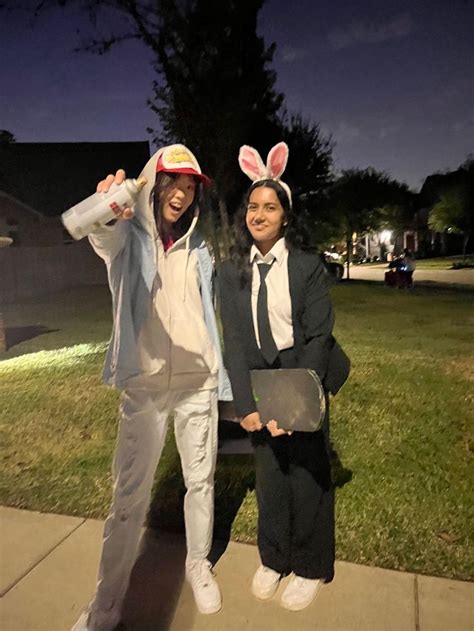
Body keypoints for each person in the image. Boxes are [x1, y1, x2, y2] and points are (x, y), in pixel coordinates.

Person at [73, 144, 232, 631]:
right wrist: (113, 199)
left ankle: (198, 564)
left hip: (196, 385)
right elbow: (83, 225)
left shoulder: (199, 248)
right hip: (143, 389)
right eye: (174, 183)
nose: (181, 195)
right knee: (128, 499)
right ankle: (106, 602)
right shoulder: (126, 239)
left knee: (200, 482)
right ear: (154, 184)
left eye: (190, 187)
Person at [218, 142, 349, 612]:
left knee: (308, 472)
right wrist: (246, 406)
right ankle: (274, 558)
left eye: (269, 207)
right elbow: (233, 341)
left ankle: (312, 565)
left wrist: (295, 402)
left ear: (286, 216)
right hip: (257, 377)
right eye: (252, 207)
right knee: (270, 472)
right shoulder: (230, 272)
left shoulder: (307, 266)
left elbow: (318, 335)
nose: (259, 214)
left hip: (302, 372)